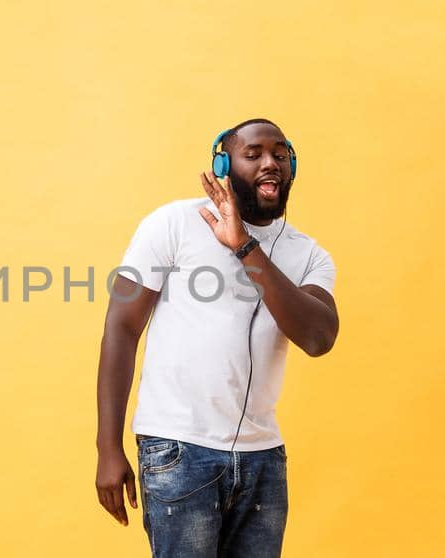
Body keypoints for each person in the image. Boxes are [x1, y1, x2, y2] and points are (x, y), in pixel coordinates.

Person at [93, 118, 341, 557]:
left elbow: (318, 338)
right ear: (224, 164)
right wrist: (107, 448)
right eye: (253, 155)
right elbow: (122, 327)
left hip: (263, 459)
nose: (270, 164)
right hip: (179, 451)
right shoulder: (171, 223)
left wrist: (245, 246)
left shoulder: (309, 255)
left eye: (280, 154)